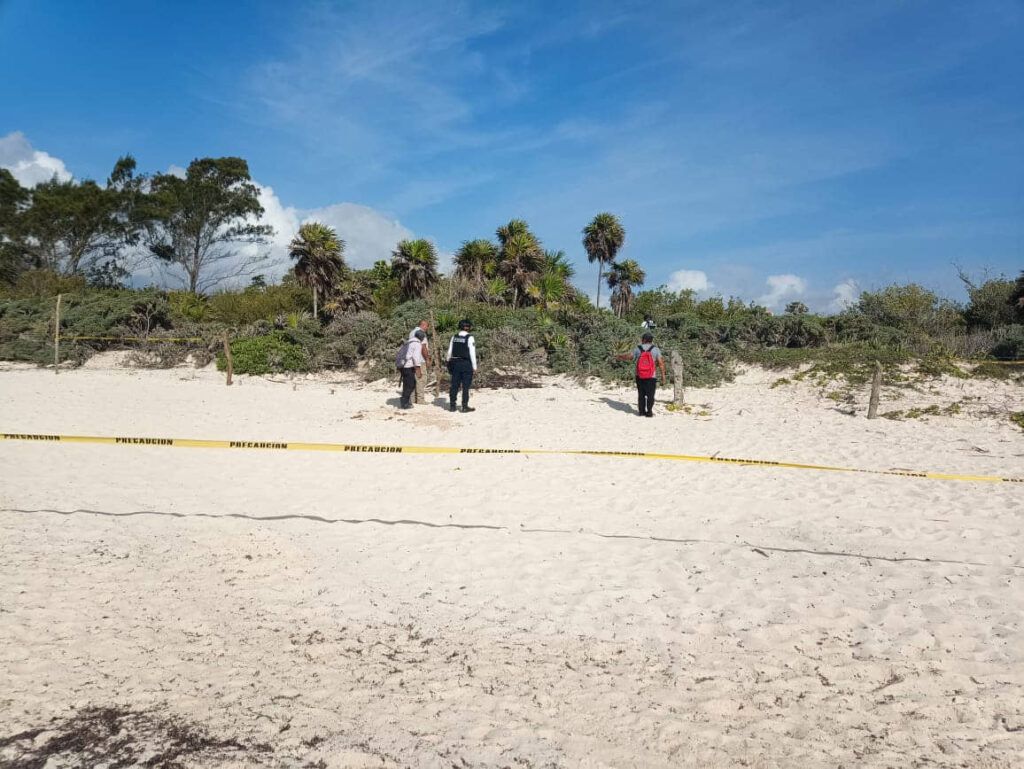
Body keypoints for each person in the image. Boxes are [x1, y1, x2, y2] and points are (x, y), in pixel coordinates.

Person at [616, 332, 667, 417]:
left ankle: (641, 412)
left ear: (643, 340)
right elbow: (661, 363)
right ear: (651, 340)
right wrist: (663, 376)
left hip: (639, 375)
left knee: (641, 394)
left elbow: (630, 357)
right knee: (650, 395)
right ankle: (649, 412)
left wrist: (620, 357)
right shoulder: (656, 349)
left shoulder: (638, 348)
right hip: (651, 376)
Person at [446, 318, 477, 413]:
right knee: (465, 386)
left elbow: (449, 352)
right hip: (466, 364)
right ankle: (464, 406)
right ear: (468, 327)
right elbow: (472, 353)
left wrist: (448, 362)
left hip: (455, 363)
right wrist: (474, 366)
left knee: (454, 385)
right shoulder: (470, 338)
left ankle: (452, 406)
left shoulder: (454, 337)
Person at [396, 329, 426, 409]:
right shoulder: (417, 344)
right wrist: (418, 370)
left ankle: (405, 401)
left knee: (406, 384)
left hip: (403, 366)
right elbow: (416, 358)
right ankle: (404, 402)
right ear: (422, 338)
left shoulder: (408, 342)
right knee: (411, 385)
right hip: (408, 366)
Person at [408, 320, 430, 403]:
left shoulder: (412, 332)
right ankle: (420, 399)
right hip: (420, 359)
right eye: (427, 326)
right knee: (421, 379)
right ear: (423, 325)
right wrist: (427, 359)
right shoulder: (421, 333)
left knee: (414, 379)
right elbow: (423, 347)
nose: (427, 328)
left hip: (411, 360)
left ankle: (413, 399)